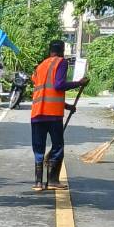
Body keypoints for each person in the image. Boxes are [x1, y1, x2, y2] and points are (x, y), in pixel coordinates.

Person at [30, 40, 87, 191]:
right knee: (58, 146)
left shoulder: (40, 66)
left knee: (38, 147)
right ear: (62, 50)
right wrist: (78, 83)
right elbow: (58, 85)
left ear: (50, 51)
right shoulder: (61, 63)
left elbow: (45, 93)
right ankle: (53, 180)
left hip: (37, 113)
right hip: (53, 115)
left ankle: (37, 182)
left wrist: (67, 106)